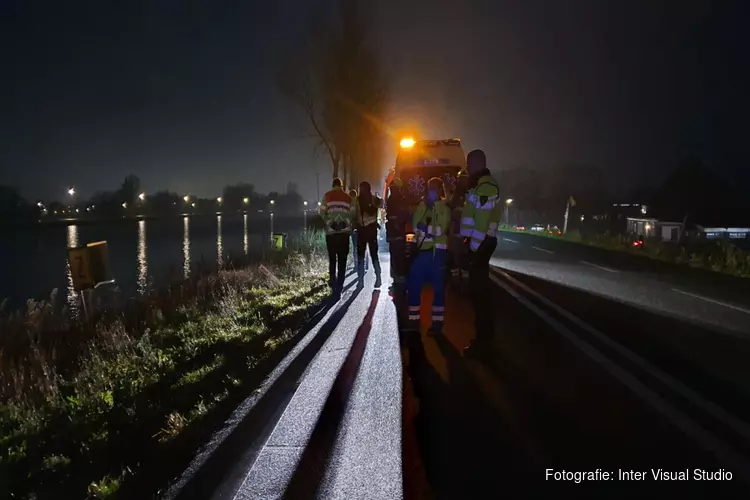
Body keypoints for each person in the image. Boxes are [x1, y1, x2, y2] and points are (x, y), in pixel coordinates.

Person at [460, 149, 501, 359]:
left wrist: (473, 248)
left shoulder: (485, 187)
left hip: (482, 244)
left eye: (469, 164)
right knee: (478, 293)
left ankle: (484, 343)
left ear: (476, 164)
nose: (466, 168)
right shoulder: (479, 186)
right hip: (481, 243)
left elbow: (482, 223)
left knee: (480, 295)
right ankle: (483, 340)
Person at [406, 177, 451, 335]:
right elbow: (416, 226)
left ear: (440, 191)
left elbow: (441, 228)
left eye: (434, 188)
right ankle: (413, 321)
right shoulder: (422, 206)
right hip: (422, 254)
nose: (431, 191)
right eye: (429, 188)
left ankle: (437, 324)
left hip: (438, 255)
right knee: (413, 286)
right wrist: (426, 229)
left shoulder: (444, 208)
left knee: (438, 290)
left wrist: (426, 228)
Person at [321, 178, 353, 297]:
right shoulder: (348, 198)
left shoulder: (327, 196)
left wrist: (331, 223)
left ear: (333, 185)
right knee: (342, 260)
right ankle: (340, 285)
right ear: (341, 185)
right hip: (344, 233)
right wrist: (345, 223)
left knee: (332, 259)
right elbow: (353, 213)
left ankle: (333, 284)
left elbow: (322, 212)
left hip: (331, 233)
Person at [353, 181, 382, 287]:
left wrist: (353, 226)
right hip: (371, 230)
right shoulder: (374, 199)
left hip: (362, 230)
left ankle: (360, 280)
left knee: (361, 256)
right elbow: (382, 205)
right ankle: (378, 278)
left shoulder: (357, 200)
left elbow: (353, 213)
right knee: (374, 255)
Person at [448, 168, 471, 289]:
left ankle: (464, 282)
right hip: (458, 232)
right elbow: (452, 213)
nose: (463, 182)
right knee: (456, 259)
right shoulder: (456, 196)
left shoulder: (470, 195)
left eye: (464, 179)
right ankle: (457, 281)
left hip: (466, 233)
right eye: (461, 179)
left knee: (464, 258)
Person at [386, 177, 409, 287]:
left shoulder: (401, 199)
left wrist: (398, 223)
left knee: (399, 255)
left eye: (394, 188)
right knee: (394, 255)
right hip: (392, 233)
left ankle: (400, 277)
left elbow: (405, 214)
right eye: (392, 188)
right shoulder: (391, 199)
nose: (392, 190)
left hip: (398, 232)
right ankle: (397, 277)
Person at [349, 188, 368, 272]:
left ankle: (357, 265)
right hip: (363, 229)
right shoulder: (361, 203)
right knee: (363, 247)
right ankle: (364, 264)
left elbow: (351, 217)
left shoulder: (351, 205)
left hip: (355, 229)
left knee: (355, 247)